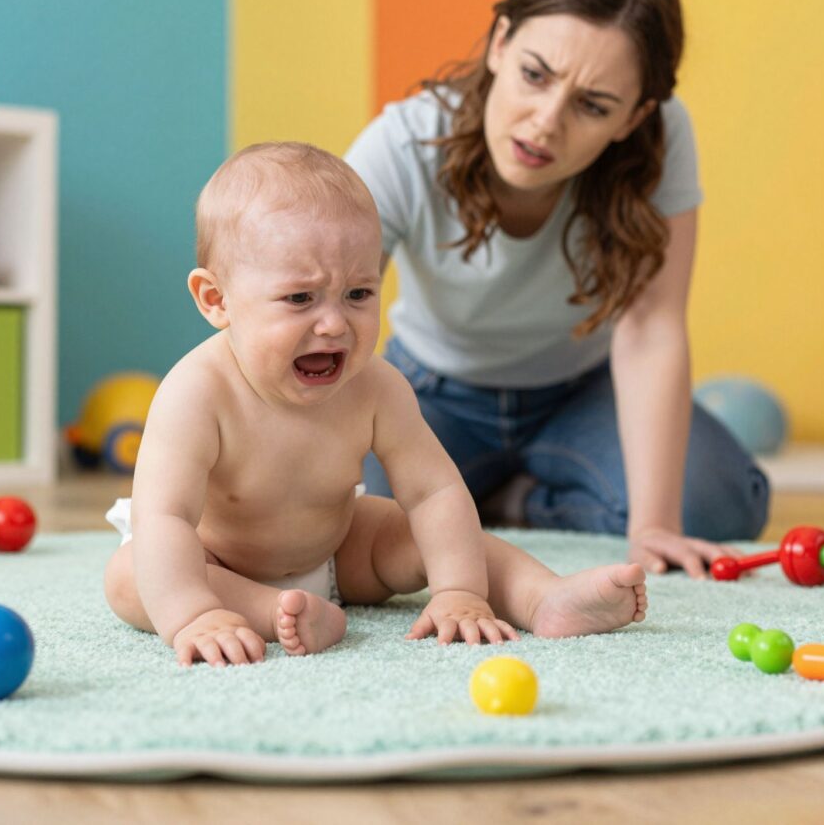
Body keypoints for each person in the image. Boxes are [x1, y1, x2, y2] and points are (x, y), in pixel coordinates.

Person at [102, 142, 648, 667]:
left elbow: (433, 490)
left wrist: (459, 590)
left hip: (341, 553)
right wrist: (191, 615)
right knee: (132, 575)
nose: (335, 323)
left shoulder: (376, 386)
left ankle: (540, 598)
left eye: (359, 294)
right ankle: (269, 613)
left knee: (432, 532)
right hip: (217, 564)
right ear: (216, 300)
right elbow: (166, 516)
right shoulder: (196, 393)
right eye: (300, 298)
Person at [345, 0, 769, 579]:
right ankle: (489, 496)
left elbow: (652, 329)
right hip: (430, 393)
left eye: (593, 106)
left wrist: (653, 527)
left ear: (635, 117)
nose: (545, 123)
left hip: (578, 391)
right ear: (499, 42)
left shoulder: (664, 140)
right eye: (535, 74)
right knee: (356, 524)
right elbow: (335, 315)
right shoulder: (404, 142)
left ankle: (514, 501)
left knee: (718, 505)